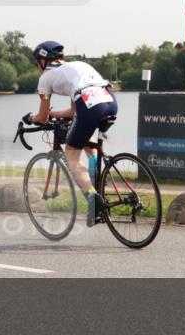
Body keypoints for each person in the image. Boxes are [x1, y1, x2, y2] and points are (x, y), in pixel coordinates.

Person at [23, 40, 118, 226]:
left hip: (89, 105)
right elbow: (73, 112)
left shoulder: (45, 78)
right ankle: (99, 182)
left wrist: (31, 118)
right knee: (89, 145)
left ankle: (93, 198)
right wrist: (52, 114)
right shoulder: (76, 67)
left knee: (71, 154)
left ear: (42, 61)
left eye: (36, 63)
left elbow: (41, 117)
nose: (37, 68)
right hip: (109, 101)